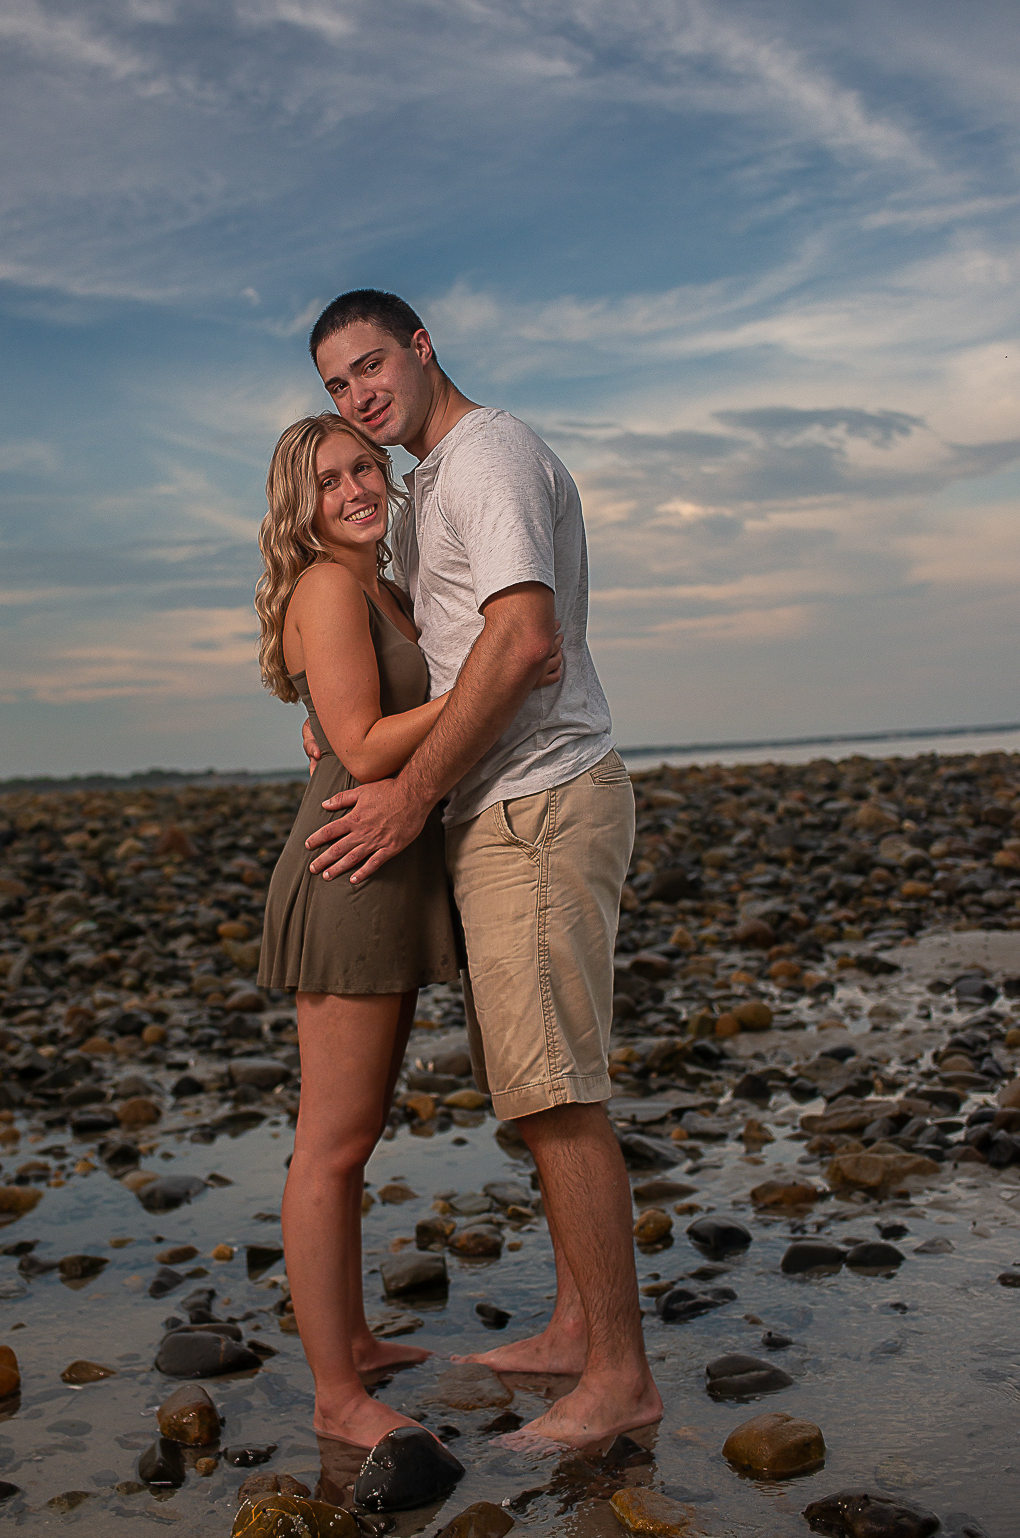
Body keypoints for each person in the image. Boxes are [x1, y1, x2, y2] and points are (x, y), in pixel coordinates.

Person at [301, 289, 663, 1448]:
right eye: (337, 386)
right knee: (534, 1083)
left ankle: (617, 1376)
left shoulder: (488, 452)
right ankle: (573, 1327)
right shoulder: (420, 494)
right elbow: (413, 639)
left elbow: (519, 638)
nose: (361, 395)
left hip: (540, 801)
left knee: (557, 1096)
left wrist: (407, 791)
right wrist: (336, 713)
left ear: (421, 346)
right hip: (499, 811)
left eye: (371, 365)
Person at [253, 410, 561, 1448]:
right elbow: (361, 740)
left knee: (354, 1134)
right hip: (348, 870)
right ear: (298, 506)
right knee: (330, 1147)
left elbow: (339, 725)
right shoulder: (330, 584)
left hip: (383, 865)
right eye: (328, 479)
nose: (354, 488)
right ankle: (337, 1397)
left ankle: (353, 1345)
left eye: (363, 467)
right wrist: (494, 674)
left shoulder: (378, 583)